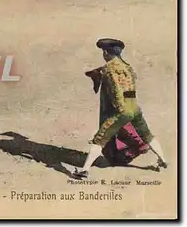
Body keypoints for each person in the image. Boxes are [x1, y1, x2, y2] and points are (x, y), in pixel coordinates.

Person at [72, 38, 168, 179]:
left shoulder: (109, 69)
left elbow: (116, 89)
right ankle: (163, 160)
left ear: (106, 52)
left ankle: (84, 170)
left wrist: (119, 107)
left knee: (100, 139)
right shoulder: (127, 67)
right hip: (134, 107)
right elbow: (130, 88)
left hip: (122, 111)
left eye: (103, 52)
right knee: (147, 135)